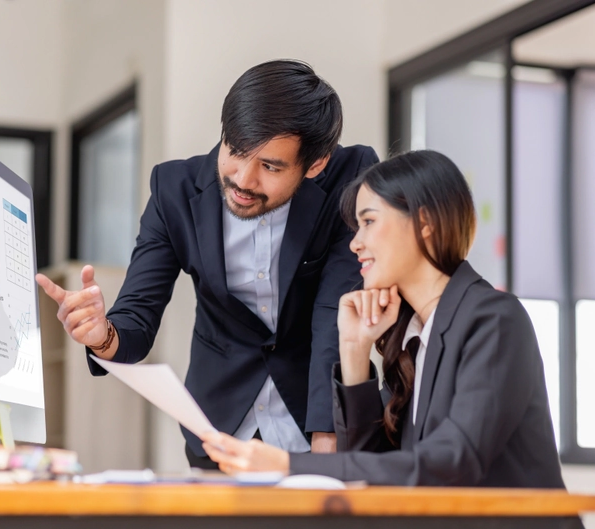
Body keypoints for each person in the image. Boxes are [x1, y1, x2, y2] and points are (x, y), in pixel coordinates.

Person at [37, 59, 379, 468]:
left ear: (316, 164)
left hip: (312, 420)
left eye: (270, 166)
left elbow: (335, 312)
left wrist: (329, 436)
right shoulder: (174, 191)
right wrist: (100, 333)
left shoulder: (349, 175)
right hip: (218, 427)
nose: (244, 180)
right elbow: (136, 320)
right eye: (234, 151)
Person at [200, 150, 564, 487]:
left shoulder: (494, 321)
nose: (355, 243)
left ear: (425, 222)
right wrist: (355, 352)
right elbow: (372, 470)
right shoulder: (412, 334)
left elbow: (454, 461)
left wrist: (290, 465)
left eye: (368, 222)